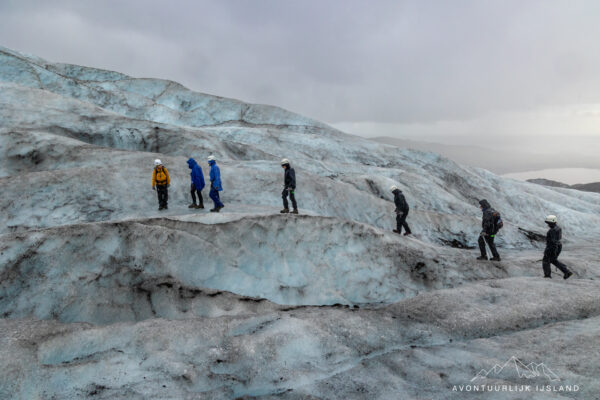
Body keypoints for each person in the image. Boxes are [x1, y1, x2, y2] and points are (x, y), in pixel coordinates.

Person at [542, 215, 573, 279]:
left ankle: (547, 276)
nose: (548, 224)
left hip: (552, 247)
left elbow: (553, 242)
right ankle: (567, 272)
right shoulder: (558, 228)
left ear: (552, 223)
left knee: (546, 261)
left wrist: (552, 251)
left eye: (549, 223)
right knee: (553, 260)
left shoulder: (552, 230)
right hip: (558, 246)